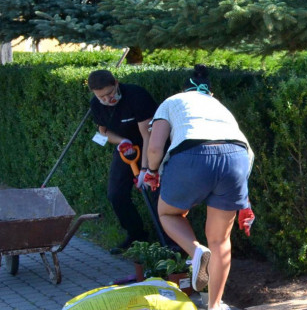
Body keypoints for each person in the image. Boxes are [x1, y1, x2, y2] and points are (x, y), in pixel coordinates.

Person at [145, 65, 254, 310]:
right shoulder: (220, 108)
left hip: (193, 156)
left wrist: (152, 172)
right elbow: (246, 153)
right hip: (236, 160)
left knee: (168, 213)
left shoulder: (172, 102)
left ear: (183, 89)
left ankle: (195, 253)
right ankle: (215, 305)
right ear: (210, 93)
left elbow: (154, 148)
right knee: (220, 240)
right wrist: (245, 203)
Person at [88, 69, 157, 254]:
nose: (107, 99)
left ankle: (169, 240)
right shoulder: (96, 104)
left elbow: (147, 135)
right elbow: (103, 131)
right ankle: (137, 236)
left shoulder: (136, 96)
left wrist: (145, 169)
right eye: (101, 96)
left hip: (152, 144)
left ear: (116, 83)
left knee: (155, 191)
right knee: (116, 194)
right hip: (127, 149)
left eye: (109, 93)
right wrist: (121, 141)